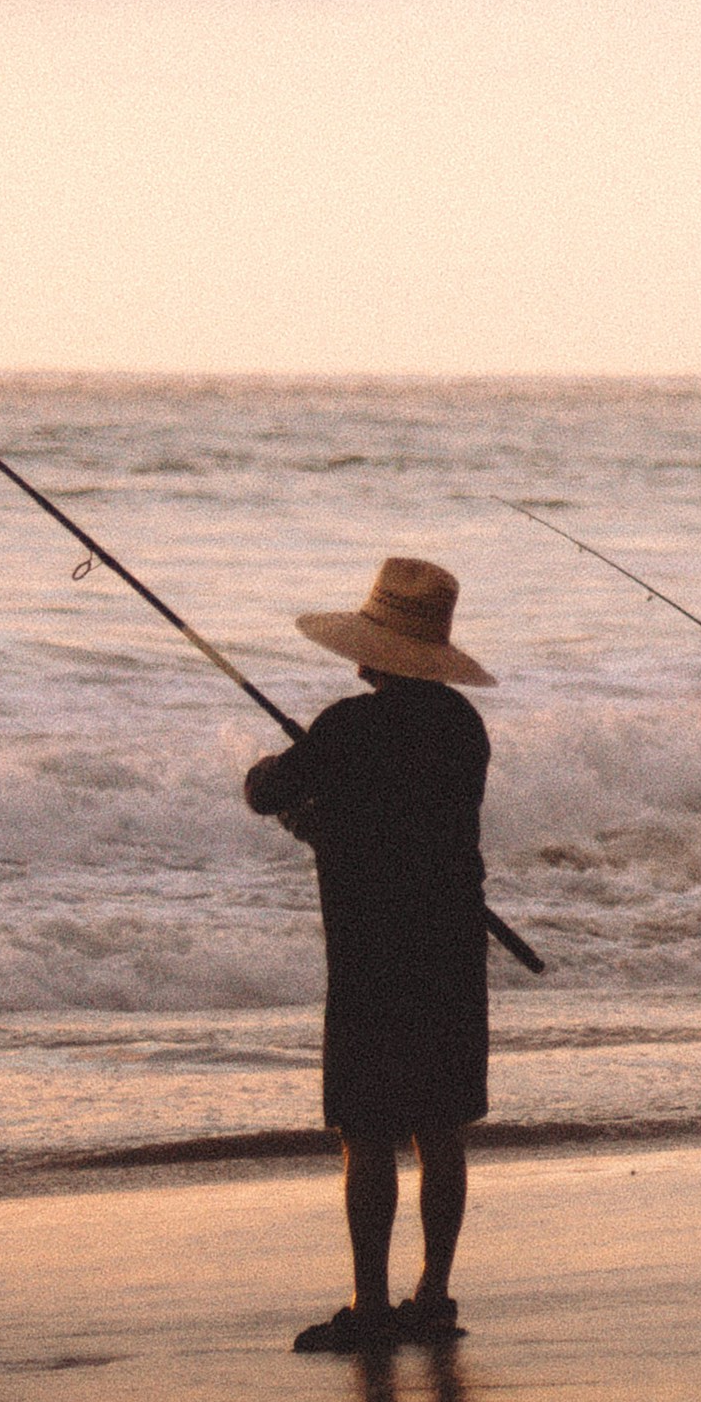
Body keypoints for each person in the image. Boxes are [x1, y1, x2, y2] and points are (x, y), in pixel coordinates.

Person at [243, 556, 496, 1355]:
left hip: (371, 952)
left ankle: (371, 1303)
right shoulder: (464, 728)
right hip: (452, 946)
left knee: (367, 1128)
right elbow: (415, 820)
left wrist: (307, 812)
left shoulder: (346, 727)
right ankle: (434, 1295)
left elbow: (267, 791)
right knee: (439, 1125)